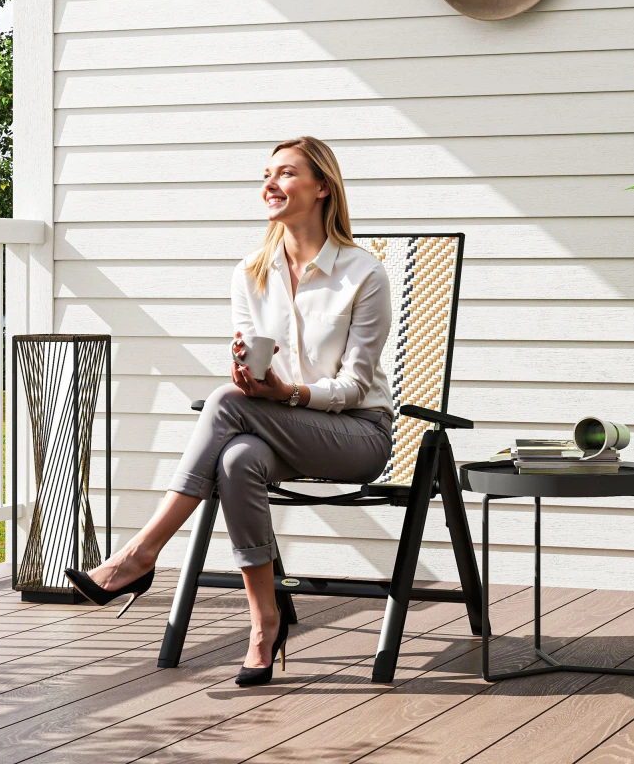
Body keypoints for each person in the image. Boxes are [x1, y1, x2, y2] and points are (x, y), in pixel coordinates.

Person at [65, 136, 394, 686]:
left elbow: (357, 386)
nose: (270, 184)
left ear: (322, 187)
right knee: (237, 457)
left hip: (357, 436)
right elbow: (253, 356)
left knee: (223, 402)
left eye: (286, 174)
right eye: (266, 174)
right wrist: (254, 380)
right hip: (277, 427)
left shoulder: (363, 273)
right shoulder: (250, 272)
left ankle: (139, 555)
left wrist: (285, 394)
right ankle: (265, 625)